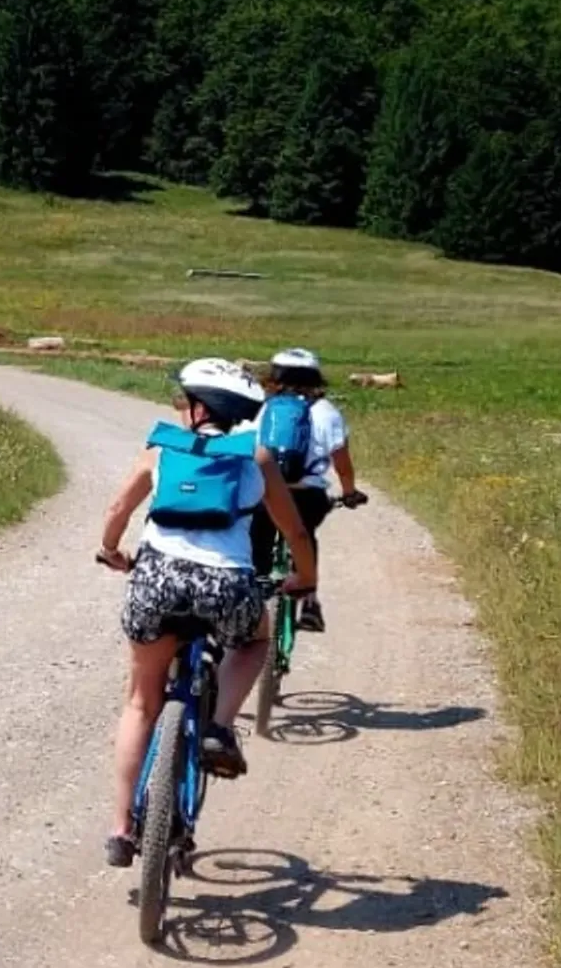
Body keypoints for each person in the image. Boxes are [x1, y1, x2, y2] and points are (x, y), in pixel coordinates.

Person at [92, 358, 316, 867]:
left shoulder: (160, 449)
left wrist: (112, 553)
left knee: (141, 705)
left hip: (155, 583)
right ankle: (217, 725)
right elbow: (295, 533)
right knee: (256, 639)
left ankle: (122, 830)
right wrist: (306, 578)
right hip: (225, 586)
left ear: (196, 408)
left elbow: (116, 513)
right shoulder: (254, 458)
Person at [255, 349, 368, 621]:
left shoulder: (261, 409)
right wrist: (349, 492)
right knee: (304, 535)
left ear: (274, 376)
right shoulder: (327, 412)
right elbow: (341, 462)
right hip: (308, 495)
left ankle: (254, 596)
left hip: (265, 492)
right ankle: (309, 602)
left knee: (258, 539)